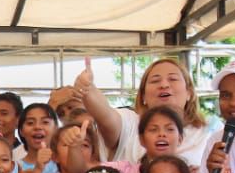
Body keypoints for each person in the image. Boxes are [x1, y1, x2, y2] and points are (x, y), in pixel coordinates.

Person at [76, 56, 216, 164]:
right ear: (143, 96)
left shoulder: (209, 130)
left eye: (173, 79)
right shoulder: (130, 122)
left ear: (189, 93)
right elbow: (104, 113)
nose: (164, 85)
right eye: (155, 81)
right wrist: (88, 89)